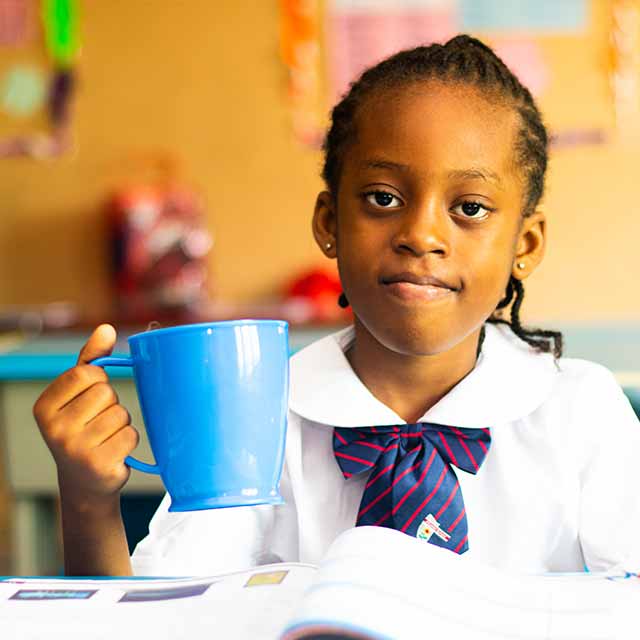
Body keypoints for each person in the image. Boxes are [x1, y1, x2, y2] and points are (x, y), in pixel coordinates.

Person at [33, 35, 640, 577]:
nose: (422, 234)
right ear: (329, 223)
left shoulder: (581, 413)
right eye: (383, 197)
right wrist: (88, 500)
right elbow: (156, 617)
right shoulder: (259, 412)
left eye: (470, 208)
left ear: (524, 246)